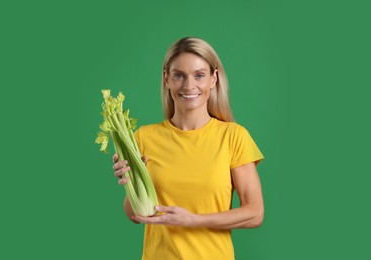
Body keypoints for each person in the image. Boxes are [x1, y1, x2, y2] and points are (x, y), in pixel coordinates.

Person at [112, 37, 265, 260]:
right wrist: (131, 183)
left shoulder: (233, 137)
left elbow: (254, 213)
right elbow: (136, 216)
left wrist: (193, 220)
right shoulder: (144, 137)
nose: (189, 86)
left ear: (214, 79)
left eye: (199, 75)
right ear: (167, 79)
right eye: (179, 75)